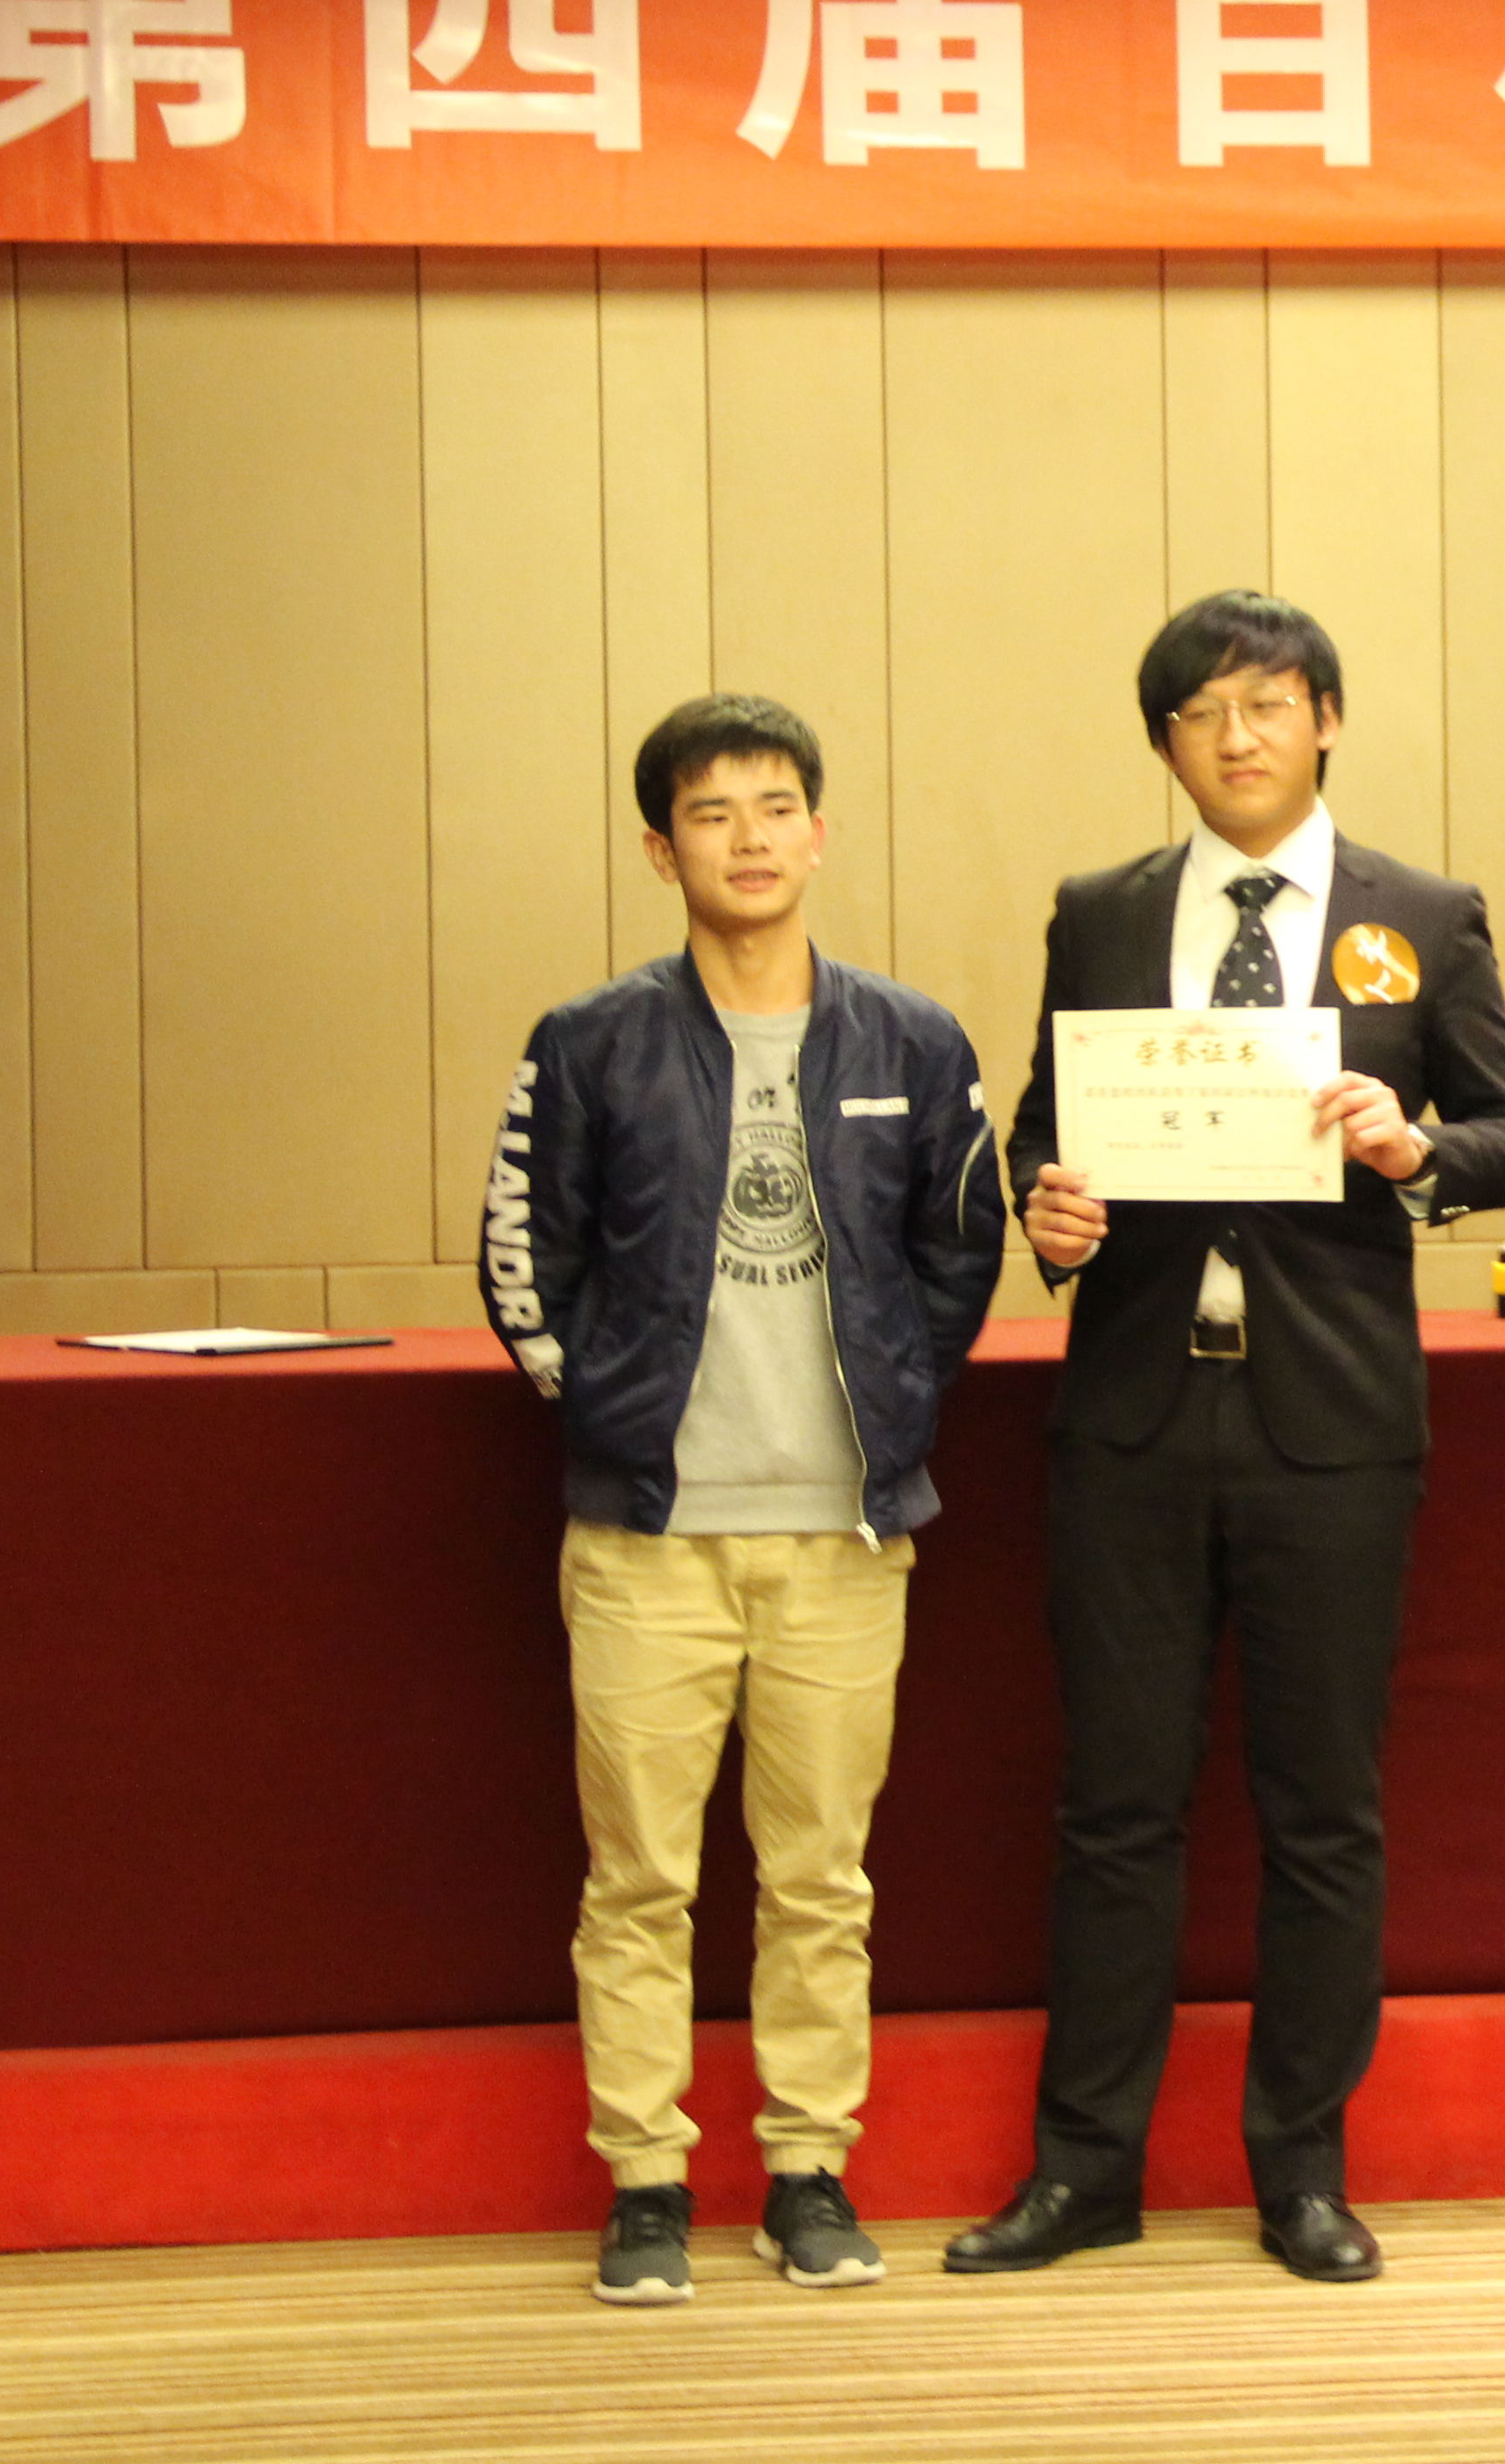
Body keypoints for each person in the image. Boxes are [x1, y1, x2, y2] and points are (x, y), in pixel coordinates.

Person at [946, 591, 1505, 2287]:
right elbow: (1043, 1134)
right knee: (1115, 1807)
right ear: (1166, 744)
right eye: (1203, 712)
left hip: (1332, 1423)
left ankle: (1302, 2171)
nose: (1239, 735)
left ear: (1326, 719)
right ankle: (1085, 2170)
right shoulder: (1102, 913)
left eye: (1270, 703)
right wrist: (1048, 1211)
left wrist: (1414, 1147)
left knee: (1322, 1812)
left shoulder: (1420, 915)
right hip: (1135, 1415)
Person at [486, 692, 1007, 2307]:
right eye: (712, 814)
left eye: (777, 807)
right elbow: (523, 1258)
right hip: (647, 1537)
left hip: (846, 1538)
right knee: (639, 1882)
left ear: (820, 834)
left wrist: (895, 1411)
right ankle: (646, 2181)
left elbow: (962, 1254)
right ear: (664, 850)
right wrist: (614, 1414)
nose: (750, 838)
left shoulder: (912, 1042)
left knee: (821, 1882)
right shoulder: (589, 1043)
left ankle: (807, 2170)